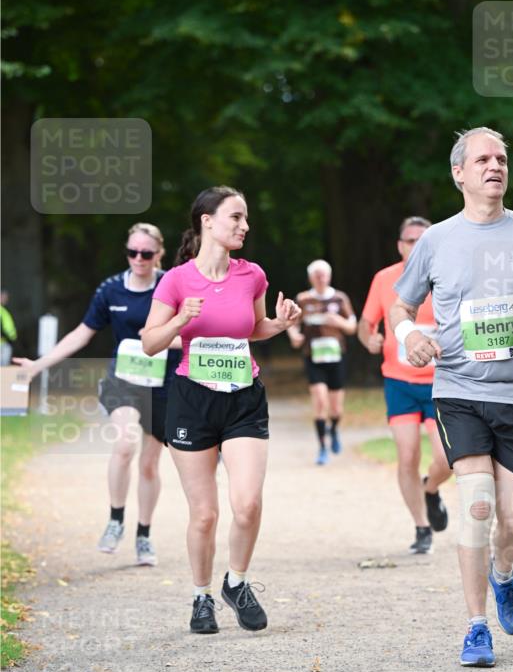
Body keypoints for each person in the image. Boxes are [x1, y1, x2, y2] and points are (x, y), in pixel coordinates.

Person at [390, 127, 513, 668]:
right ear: (459, 173)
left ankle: (504, 574)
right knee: (477, 506)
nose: (495, 166)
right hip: (459, 392)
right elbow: (399, 309)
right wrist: (411, 337)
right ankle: (475, 627)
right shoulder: (438, 239)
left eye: (501, 158)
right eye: (483, 159)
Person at [142, 186, 300, 635]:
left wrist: (282, 324)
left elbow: (253, 329)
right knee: (205, 514)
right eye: (235, 217)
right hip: (192, 399)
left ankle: (237, 581)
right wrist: (178, 320)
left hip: (243, 396)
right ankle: (201, 596)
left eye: (245, 218)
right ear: (207, 221)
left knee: (247, 503)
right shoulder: (175, 280)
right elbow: (150, 342)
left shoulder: (252, 276)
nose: (244, 226)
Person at [13, 224, 179, 565]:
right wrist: (39, 365)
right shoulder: (111, 289)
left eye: (146, 254)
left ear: (159, 254)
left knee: (149, 465)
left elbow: (189, 332)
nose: (138, 259)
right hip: (124, 380)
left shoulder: (171, 285)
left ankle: (144, 536)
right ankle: (115, 519)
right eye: (132, 252)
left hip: (163, 384)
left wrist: (160, 343)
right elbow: (81, 334)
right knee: (124, 443)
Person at [358, 216, 452, 555]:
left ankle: (430, 490)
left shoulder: (448, 276)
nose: (415, 245)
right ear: (400, 245)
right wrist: (369, 338)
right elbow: (365, 323)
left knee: (447, 458)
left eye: (422, 240)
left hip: (441, 382)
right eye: (410, 240)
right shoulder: (384, 279)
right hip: (399, 382)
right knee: (407, 455)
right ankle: (421, 526)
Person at [287, 260, 357, 465]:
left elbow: (353, 326)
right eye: (317, 274)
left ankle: (334, 428)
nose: (321, 278)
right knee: (319, 402)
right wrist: (294, 335)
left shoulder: (339, 298)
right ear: (311, 277)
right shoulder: (303, 299)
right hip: (313, 356)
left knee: (336, 409)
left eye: (324, 274)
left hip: (336, 356)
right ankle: (322, 447)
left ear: (330, 276)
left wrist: (340, 322)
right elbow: (292, 323)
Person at [1, 290, 17, 366]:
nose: (6, 299)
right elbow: (7, 329)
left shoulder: (4, 310)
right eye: (4, 297)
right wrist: (11, 337)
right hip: (3, 343)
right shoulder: (2, 311)